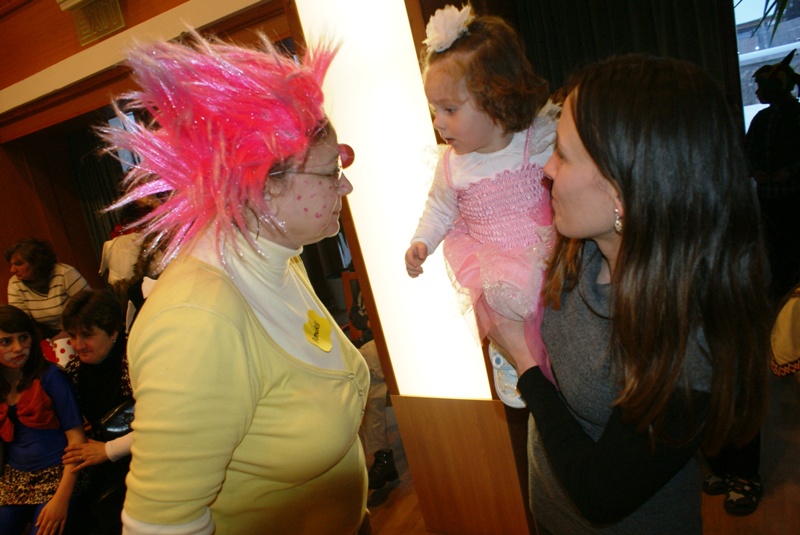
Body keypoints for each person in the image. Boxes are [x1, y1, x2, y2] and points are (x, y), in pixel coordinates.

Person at [486, 54, 771, 534]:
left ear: (623, 192)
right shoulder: (581, 248)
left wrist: (524, 362)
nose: (548, 169)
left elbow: (600, 494)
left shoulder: (691, 343)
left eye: (564, 155)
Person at [99, 30, 369, 534]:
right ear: (262, 186)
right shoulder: (197, 321)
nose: (346, 185)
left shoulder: (278, 260)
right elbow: (160, 525)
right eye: (331, 172)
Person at [404, 4, 557, 408]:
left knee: (552, 318)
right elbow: (439, 209)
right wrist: (422, 241)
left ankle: (551, 360)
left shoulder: (538, 142)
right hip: (493, 263)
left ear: (496, 99)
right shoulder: (453, 166)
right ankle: (508, 355)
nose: (438, 122)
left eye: (450, 110)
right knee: (503, 307)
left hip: (544, 254)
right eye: (435, 110)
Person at [0, 304, 87, 535]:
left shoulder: (51, 376)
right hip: (14, 477)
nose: (18, 348)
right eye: (6, 341)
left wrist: (62, 499)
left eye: (24, 337)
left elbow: (78, 440)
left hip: (60, 474)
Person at [60, 289, 133, 534]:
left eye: (87, 335)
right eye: (72, 336)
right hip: (97, 458)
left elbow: (161, 425)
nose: (77, 345)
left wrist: (108, 450)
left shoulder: (134, 360)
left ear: (113, 332)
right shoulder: (74, 370)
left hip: (140, 456)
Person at [745, 49, 800, 304]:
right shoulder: (762, 118)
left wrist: (791, 171)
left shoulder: (796, 115)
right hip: (768, 197)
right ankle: (780, 290)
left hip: (793, 196)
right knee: (774, 246)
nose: (757, 92)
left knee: (794, 244)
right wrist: (754, 170)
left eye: (762, 87)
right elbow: (748, 150)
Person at [5, 238, 91, 340]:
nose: (12, 270)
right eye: (12, 264)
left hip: (82, 327)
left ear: (36, 262)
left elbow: (89, 307)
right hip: (49, 334)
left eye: (18, 264)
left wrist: (63, 336)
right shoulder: (15, 283)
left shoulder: (65, 273)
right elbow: (22, 322)